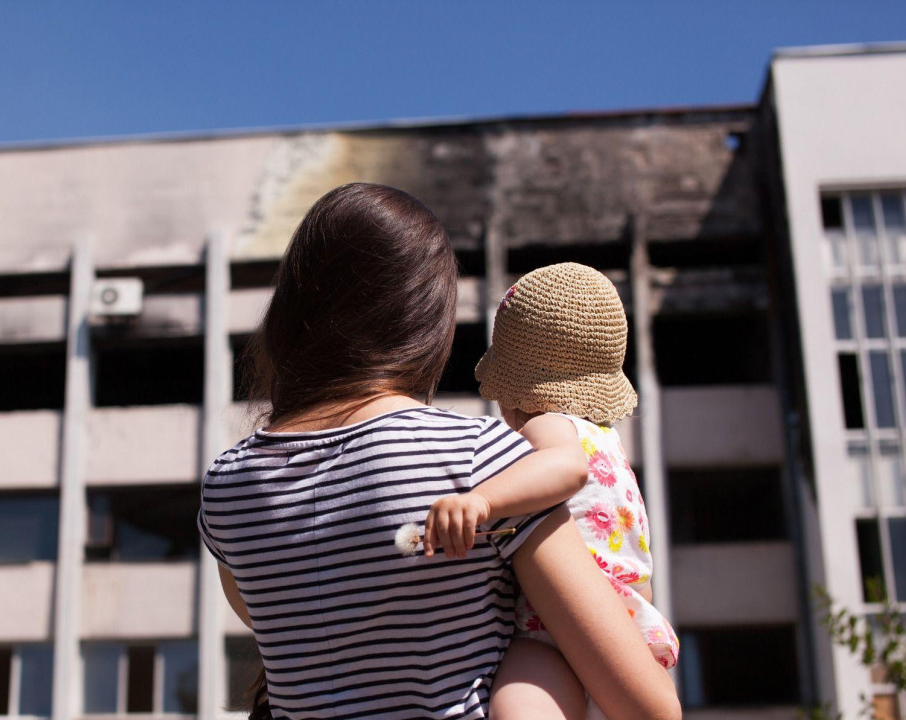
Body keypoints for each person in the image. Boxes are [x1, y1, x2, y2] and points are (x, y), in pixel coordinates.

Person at [197, 183, 680, 720]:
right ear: (429, 321)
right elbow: (647, 708)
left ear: (289, 313)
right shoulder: (484, 463)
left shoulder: (226, 486)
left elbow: (273, 622)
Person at [423, 262, 679, 720]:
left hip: (554, 627)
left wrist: (481, 500)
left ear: (517, 387)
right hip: (626, 621)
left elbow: (566, 470)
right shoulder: (607, 440)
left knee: (517, 708)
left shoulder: (551, 427)